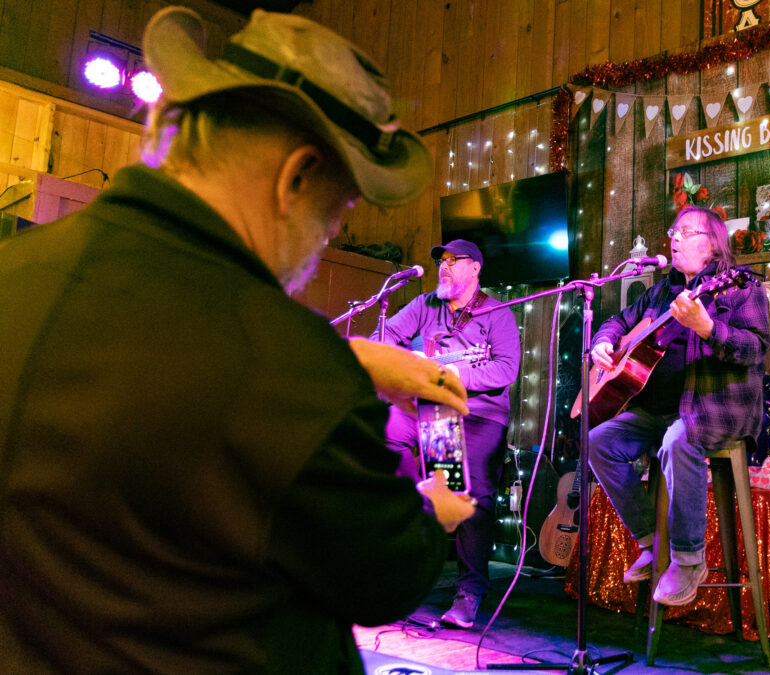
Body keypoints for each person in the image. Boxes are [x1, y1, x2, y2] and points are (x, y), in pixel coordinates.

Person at [0, 7, 474, 673]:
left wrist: (347, 358)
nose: (332, 233)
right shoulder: (287, 362)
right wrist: (432, 513)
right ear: (297, 178)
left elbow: (158, 364)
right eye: (338, 210)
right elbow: (382, 576)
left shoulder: (16, 274)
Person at [587, 205, 770, 607]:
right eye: (674, 231)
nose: (674, 238)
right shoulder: (661, 290)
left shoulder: (740, 287)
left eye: (686, 232)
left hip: (714, 407)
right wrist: (602, 343)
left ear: (712, 246)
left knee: (677, 441)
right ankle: (652, 542)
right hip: (657, 410)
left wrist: (707, 327)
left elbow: (755, 347)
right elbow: (617, 322)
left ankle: (688, 558)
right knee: (597, 442)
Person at [375, 239, 521, 629]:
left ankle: (470, 591)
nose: (444, 265)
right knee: (385, 432)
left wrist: (458, 374)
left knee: (472, 488)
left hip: (477, 413)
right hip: (429, 407)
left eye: (454, 261)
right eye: (441, 259)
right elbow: (384, 337)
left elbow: (506, 369)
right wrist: (411, 361)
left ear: (475, 269)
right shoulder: (425, 305)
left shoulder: (497, 313)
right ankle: (417, 516)